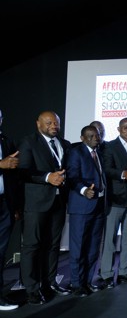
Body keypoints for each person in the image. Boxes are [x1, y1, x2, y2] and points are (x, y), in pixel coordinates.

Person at [18, 111, 72, 304]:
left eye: (56, 123)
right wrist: (48, 177)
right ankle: (31, 289)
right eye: (49, 123)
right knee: (32, 246)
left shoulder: (64, 144)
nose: (53, 126)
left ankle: (49, 283)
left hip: (59, 201)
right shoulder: (29, 142)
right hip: (36, 202)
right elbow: (23, 171)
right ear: (38, 124)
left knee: (53, 244)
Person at [99, 117, 127, 288]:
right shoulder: (110, 146)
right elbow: (106, 169)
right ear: (118, 129)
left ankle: (124, 272)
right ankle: (106, 274)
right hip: (115, 199)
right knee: (109, 239)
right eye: (125, 127)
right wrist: (123, 174)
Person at [66, 125, 106, 297]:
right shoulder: (76, 153)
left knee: (93, 247)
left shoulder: (99, 153)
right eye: (90, 136)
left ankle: (87, 282)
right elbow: (72, 176)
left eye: (96, 135)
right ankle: (76, 284)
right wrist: (83, 190)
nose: (95, 138)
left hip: (99, 206)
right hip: (82, 206)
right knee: (78, 248)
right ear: (82, 138)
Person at [0, 109, 21, 310]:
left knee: (1, 251)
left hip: (5, 204)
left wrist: (15, 206)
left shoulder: (6, 141)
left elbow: (13, 177)